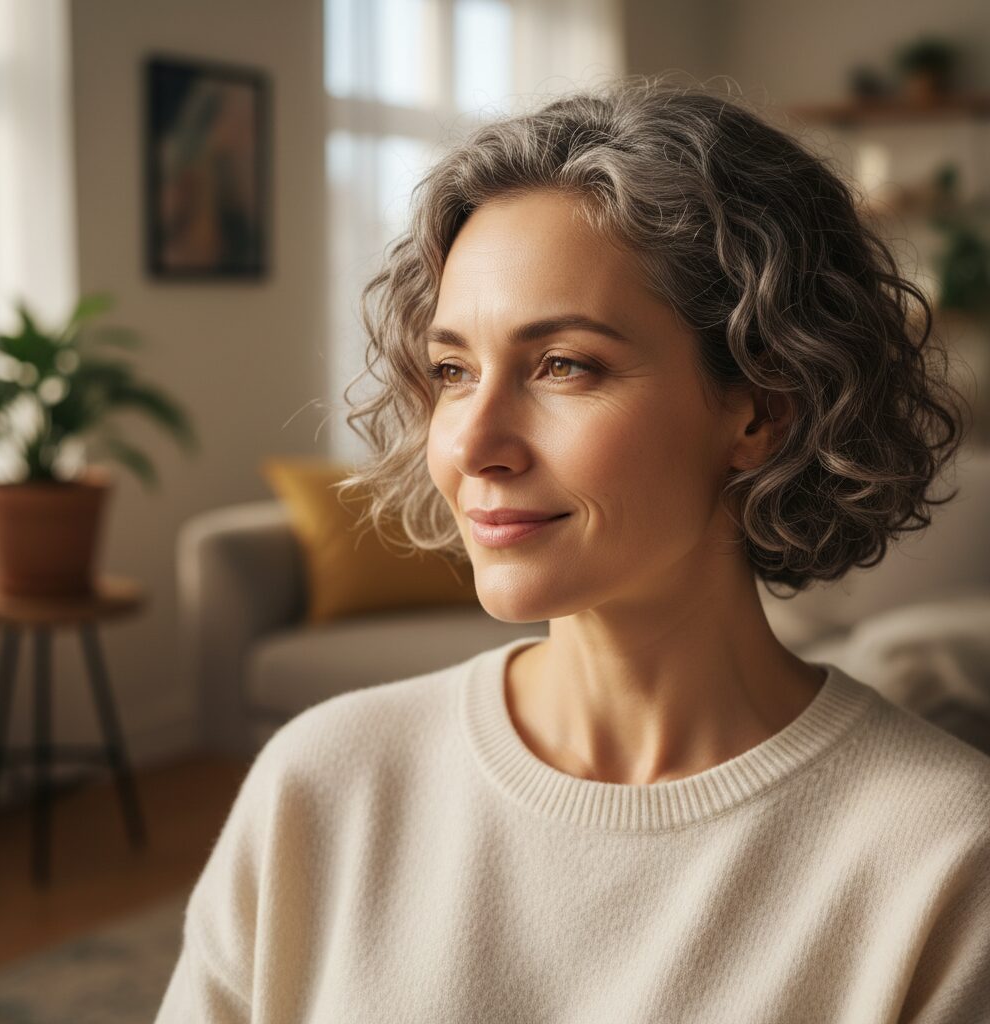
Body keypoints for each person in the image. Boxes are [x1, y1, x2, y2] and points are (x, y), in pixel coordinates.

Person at [155, 76, 988, 1022]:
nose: (471, 443)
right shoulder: (326, 781)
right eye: (453, 370)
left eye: (563, 366)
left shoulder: (945, 860)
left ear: (763, 405)